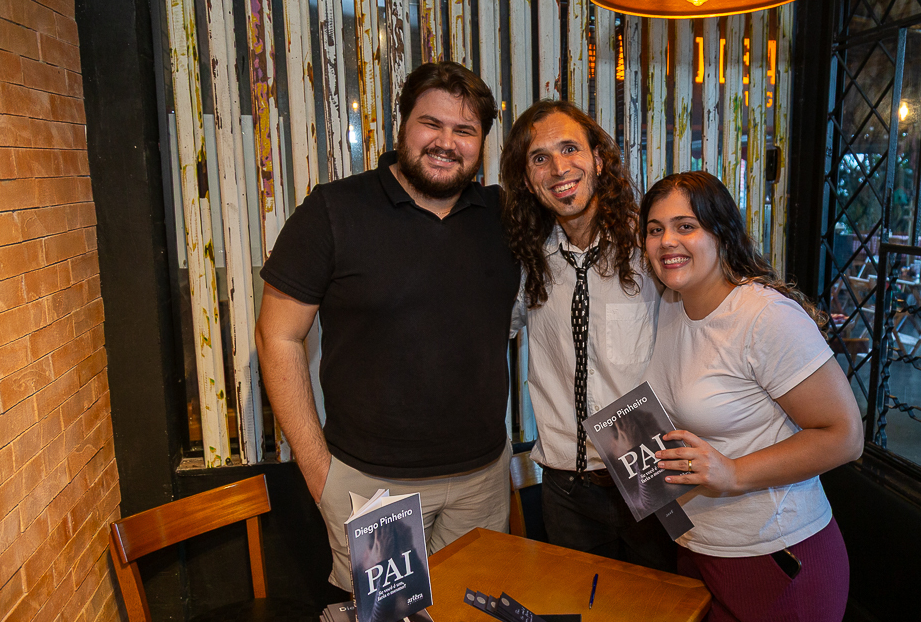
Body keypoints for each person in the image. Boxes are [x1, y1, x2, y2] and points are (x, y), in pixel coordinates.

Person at [255, 62, 520, 592]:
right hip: (376, 492)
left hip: (482, 485)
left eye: (465, 131)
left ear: (482, 143)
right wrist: (320, 475)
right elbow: (276, 336)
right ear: (402, 125)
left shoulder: (503, 217)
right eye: (431, 124)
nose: (446, 142)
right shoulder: (334, 211)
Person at [640, 171, 864, 622]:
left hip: (777, 563)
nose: (667, 241)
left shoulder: (765, 317)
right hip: (700, 553)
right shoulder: (675, 307)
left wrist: (733, 473)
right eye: (654, 229)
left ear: (721, 233)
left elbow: (845, 436)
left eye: (685, 226)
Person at [499, 99, 670, 571]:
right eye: (539, 157)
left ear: (598, 158)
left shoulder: (650, 248)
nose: (558, 168)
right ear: (527, 178)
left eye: (570, 148)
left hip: (648, 470)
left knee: (660, 620)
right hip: (563, 489)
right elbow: (486, 332)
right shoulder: (527, 262)